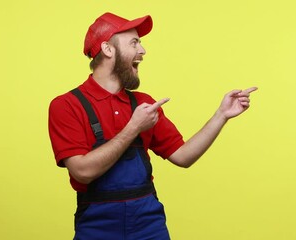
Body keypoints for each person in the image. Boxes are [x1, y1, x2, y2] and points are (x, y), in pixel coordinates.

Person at [48, 12, 257, 240]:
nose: (143, 51)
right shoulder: (67, 105)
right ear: (108, 49)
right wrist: (133, 127)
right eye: (134, 42)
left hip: (148, 223)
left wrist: (222, 115)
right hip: (97, 227)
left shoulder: (144, 104)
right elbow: (82, 172)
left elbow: (183, 156)